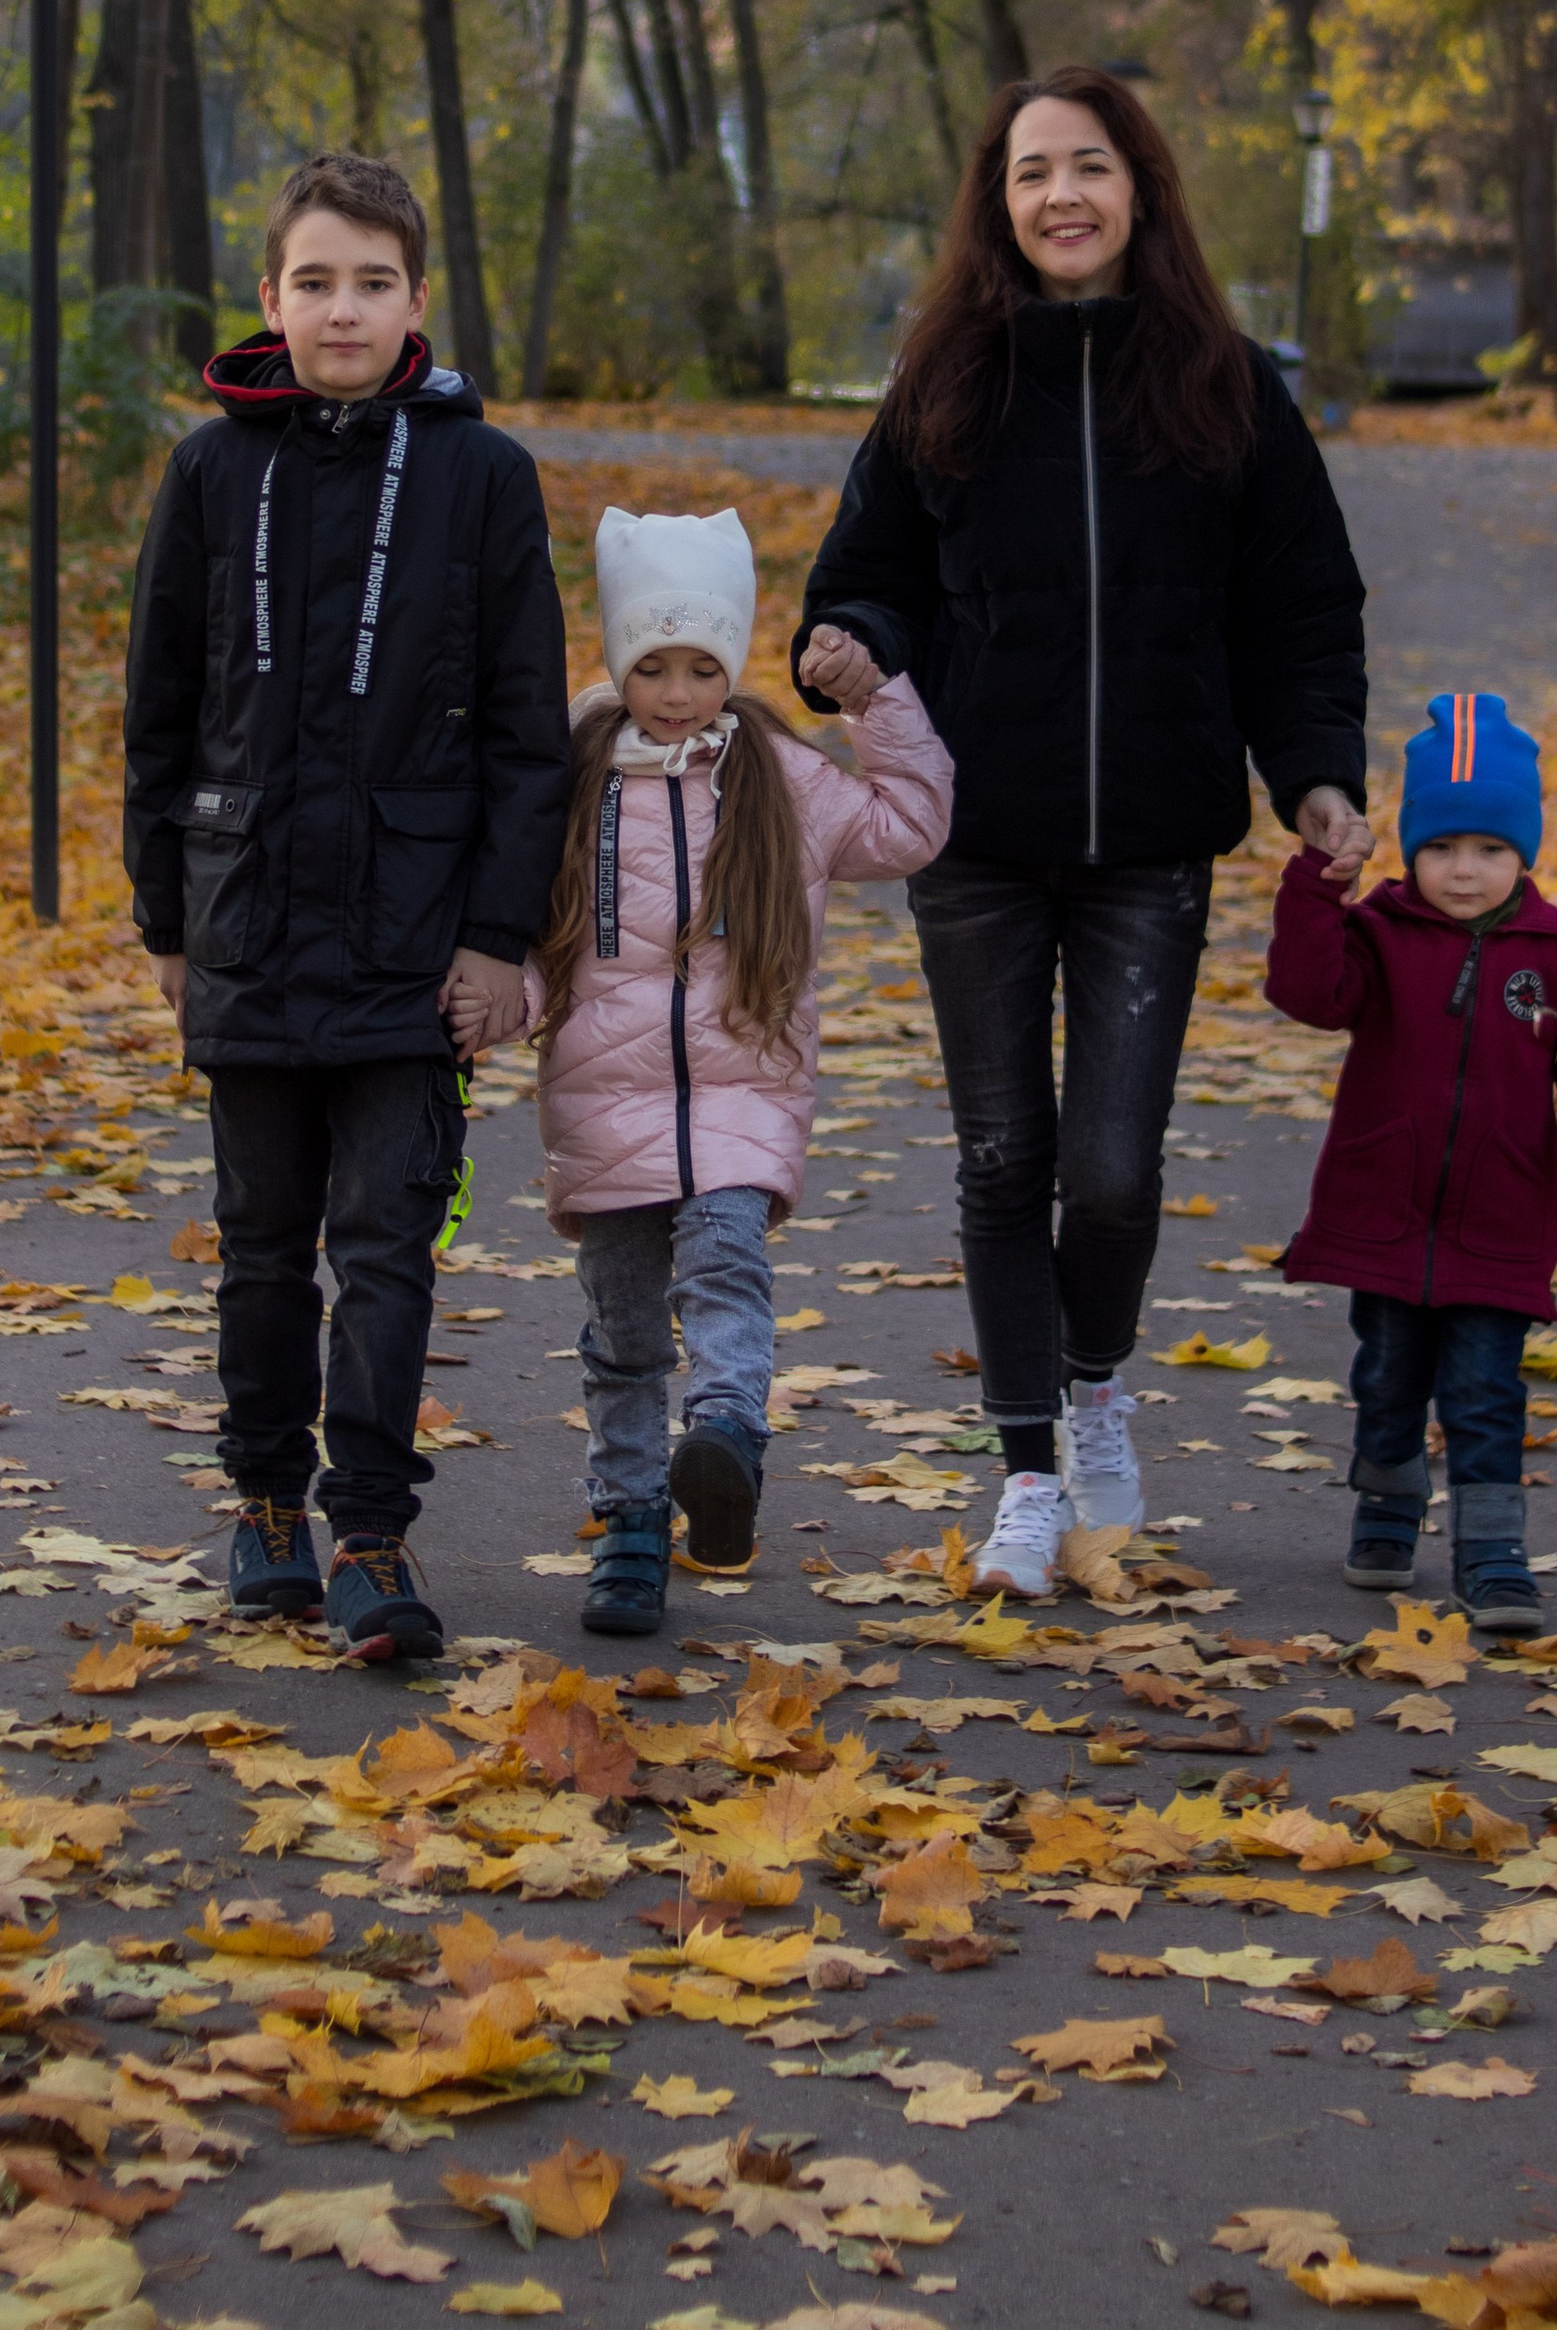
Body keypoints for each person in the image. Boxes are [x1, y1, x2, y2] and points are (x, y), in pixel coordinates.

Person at [794, 62, 1370, 1599]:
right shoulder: (944, 382)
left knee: (1112, 1171)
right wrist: (846, 644)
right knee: (1003, 1159)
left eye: (1092, 167)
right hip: (975, 837)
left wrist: (1314, 773)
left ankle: (1099, 1380)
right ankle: (1031, 1473)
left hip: (1152, 843)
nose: (1063, 195)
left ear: (1142, 191)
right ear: (998, 200)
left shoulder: (1229, 387)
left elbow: (1299, 609)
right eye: (1034, 170)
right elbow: (870, 571)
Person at [123, 147, 568, 1665]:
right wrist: (165, 922)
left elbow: (526, 733)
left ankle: (371, 1529)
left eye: (373, 282)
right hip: (245, 924)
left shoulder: (480, 475)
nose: (342, 307)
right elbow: (158, 713)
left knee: (389, 1246)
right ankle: (264, 1509)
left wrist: (501, 937)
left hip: (409, 947)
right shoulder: (209, 470)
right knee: (262, 1245)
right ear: (269, 298)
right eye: (314, 280)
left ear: (416, 301)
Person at [502, 504, 953, 1639]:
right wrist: (498, 996)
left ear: (733, 660)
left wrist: (872, 700)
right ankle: (632, 1515)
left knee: (725, 1268)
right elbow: (519, 917)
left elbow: (909, 824)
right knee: (622, 1333)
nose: (677, 690)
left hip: (743, 1091)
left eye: (703, 665)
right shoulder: (573, 773)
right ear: (617, 659)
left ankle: (725, 1439)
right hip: (602, 1103)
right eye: (651, 664)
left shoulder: (778, 776)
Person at [1270, 687, 1557, 1637]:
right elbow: (1307, 992)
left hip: (1501, 1217)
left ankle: (1492, 1552)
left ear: (1524, 853)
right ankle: (1388, 1507)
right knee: (1388, 1373)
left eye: (1489, 850)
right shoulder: (1380, 934)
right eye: (1440, 848)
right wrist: (1319, 886)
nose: (1463, 871)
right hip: (1386, 1203)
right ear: (1410, 850)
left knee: (1483, 1390)